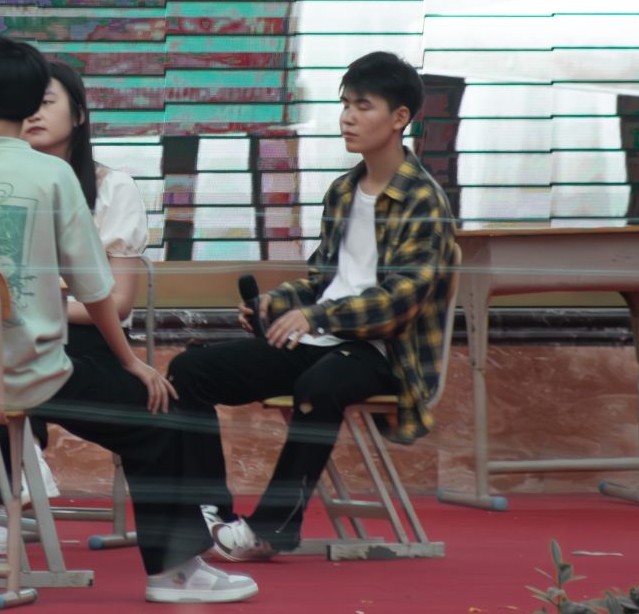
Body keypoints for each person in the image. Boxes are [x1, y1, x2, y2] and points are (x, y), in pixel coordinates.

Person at [0, 35, 258, 603]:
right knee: (156, 415)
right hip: (29, 375)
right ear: (30, 104)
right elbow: (96, 289)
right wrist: (131, 363)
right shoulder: (55, 177)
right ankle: (174, 573)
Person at [166, 50, 455, 559]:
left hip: (383, 353)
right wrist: (275, 304)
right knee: (190, 371)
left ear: (400, 118)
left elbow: (401, 302)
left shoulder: (423, 200)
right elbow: (324, 278)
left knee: (319, 385)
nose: (347, 117)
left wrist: (315, 316)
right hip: (321, 339)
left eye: (363, 106)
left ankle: (272, 530)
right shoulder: (343, 191)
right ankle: (211, 510)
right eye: (345, 105)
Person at [0, 58, 145, 549]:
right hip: (17, 334)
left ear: (79, 114)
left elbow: (119, 303)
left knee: (11, 351)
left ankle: (15, 486)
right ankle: (7, 501)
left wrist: (43, 309)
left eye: (46, 102)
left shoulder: (112, 188)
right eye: (26, 104)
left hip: (91, 337)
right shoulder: (0, 189)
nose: (34, 114)